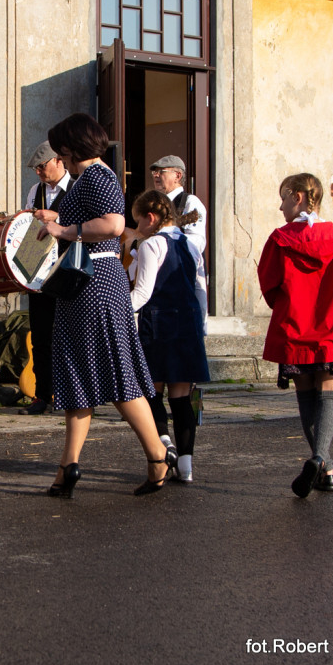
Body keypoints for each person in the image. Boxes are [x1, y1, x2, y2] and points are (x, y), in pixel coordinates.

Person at [34, 113, 170, 498]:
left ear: (72, 147)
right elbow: (91, 217)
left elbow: (112, 224)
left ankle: (158, 454)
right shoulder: (86, 180)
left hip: (97, 283)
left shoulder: (99, 175)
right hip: (81, 285)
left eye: (61, 147)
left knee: (116, 375)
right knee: (79, 376)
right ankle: (69, 466)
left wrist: (63, 229)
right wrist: (57, 215)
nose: (59, 153)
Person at [258, 173, 333, 497]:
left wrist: (289, 305)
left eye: (283, 197)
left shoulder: (279, 239)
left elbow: (269, 284)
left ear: (299, 196)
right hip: (330, 325)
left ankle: (323, 463)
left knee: (305, 393)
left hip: (295, 324)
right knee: (328, 389)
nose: (280, 207)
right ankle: (323, 462)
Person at [129, 189, 208, 483]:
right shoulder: (190, 244)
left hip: (159, 326)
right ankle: (186, 468)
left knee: (152, 393)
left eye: (138, 222)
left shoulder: (152, 245)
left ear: (151, 219)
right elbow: (199, 289)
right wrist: (200, 325)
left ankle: (166, 446)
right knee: (182, 399)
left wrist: (115, 310)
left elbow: (142, 293)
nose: (136, 228)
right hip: (187, 326)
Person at [21, 140, 72, 415]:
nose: (39, 173)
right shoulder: (35, 190)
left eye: (42, 167)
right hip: (39, 271)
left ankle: (68, 395)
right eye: (36, 169)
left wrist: (57, 216)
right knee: (40, 335)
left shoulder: (77, 187)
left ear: (58, 161)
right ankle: (41, 395)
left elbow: (89, 222)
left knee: (68, 336)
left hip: (68, 271)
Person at [149, 155, 207, 255]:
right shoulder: (154, 204)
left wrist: (165, 243)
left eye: (161, 172)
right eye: (154, 172)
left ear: (178, 176)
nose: (156, 175)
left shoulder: (190, 202)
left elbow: (196, 242)